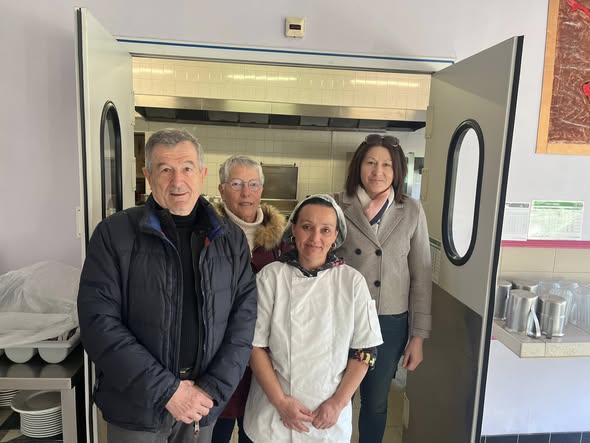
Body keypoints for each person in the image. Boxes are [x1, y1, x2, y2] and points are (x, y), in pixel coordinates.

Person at [77, 128, 258, 443]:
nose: (177, 181)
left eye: (187, 168)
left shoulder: (230, 239)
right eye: (165, 170)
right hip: (136, 408)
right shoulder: (114, 234)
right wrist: (168, 391)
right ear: (148, 175)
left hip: (202, 405)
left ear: (202, 174)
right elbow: (98, 322)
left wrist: (211, 390)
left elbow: (243, 321)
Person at [243, 194, 383, 443]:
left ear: (336, 235)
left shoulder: (352, 282)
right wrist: (280, 402)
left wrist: (338, 403)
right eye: (307, 227)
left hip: (327, 418)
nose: (315, 238)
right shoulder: (270, 277)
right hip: (273, 416)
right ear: (294, 229)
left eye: (325, 230)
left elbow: (365, 351)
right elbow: (254, 346)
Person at [332, 134, 432, 443]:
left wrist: (418, 337)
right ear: (358, 166)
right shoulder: (336, 204)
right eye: (371, 163)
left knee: (375, 404)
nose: (378, 171)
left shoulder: (411, 210)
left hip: (389, 322)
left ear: (397, 170)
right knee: (336, 397)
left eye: (387, 165)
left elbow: (421, 275)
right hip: (342, 319)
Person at [211, 155, 288, 443]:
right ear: (221, 189)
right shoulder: (206, 234)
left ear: (261, 189)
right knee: (215, 430)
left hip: (264, 356)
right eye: (237, 184)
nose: (246, 192)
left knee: (254, 431)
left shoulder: (280, 242)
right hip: (218, 353)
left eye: (253, 184)